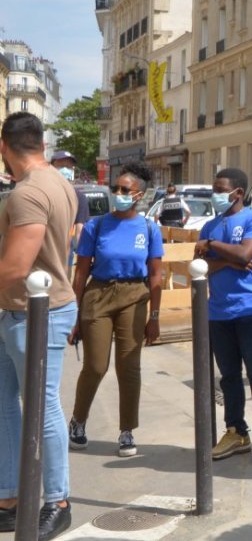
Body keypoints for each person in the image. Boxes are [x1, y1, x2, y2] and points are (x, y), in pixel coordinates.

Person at [0, 113, 79, 540]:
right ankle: (10, 497)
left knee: (42, 406)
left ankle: (58, 501)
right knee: (4, 400)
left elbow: (15, 267)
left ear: (4, 147)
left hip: (35, 312)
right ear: (41, 145)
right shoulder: (58, 181)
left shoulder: (28, 194)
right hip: (24, 311)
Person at [66, 162, 163, 459]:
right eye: (115, 188)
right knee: (95, 366)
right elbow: (81, 273)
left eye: (124, 189)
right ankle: (79, 421)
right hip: (99, 294)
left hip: (135, 295)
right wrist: (73, 313)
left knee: (129, 366)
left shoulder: (148, 228)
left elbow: (156, 275)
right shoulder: (97, 226)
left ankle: (126, 430)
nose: (118, 193)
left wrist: (154, 317)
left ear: (139, 195)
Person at [197, 168, 252, 462]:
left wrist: (215, 249)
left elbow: (246, 255)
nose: (215, 195)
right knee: (229, 375)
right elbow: (201, 266)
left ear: (237, 193)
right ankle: (236, 431)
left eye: (220, 190)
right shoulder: (209, 226)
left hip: (250, 308)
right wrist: (228, 261)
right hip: (218, 311)